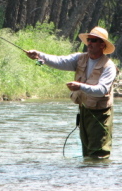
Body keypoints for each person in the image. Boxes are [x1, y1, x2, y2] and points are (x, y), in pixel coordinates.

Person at [26, 26, 117, 159]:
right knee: (86, 153)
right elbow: (59, 61)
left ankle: (99, 178)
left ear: (102, 45)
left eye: (93, 40)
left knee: (98, 154)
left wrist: (80, 86)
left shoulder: (109, 66)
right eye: (88, 40)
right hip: (84, 110)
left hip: (101, 114)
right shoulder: (79, 58)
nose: (89, 43)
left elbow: (101, 90)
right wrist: (39, 55)